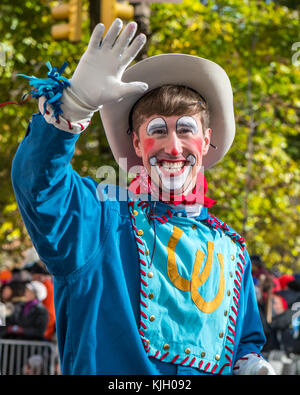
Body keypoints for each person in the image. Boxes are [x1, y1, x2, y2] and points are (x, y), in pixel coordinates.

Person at [11, 19, 274, 375]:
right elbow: (39, 185)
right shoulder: (101, 219)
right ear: (137, 144)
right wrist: (73, 105)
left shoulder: (232, 248)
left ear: (206, 139)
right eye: (157, 131)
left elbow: (243, 340)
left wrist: (251, 365)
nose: (173, 146)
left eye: (185, 129)